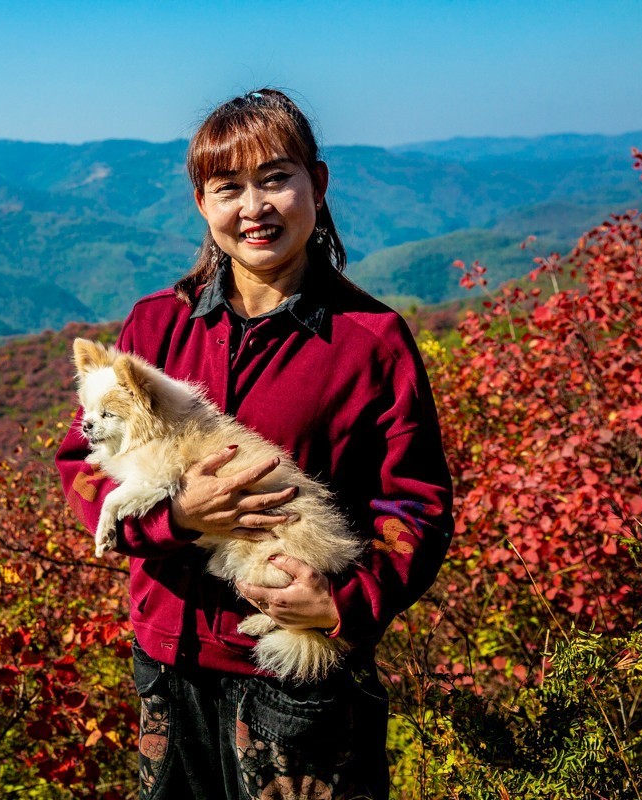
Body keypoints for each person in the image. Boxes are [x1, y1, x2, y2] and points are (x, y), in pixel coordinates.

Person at [55, 88, 453, 800]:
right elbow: (80, 464)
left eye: (275, 179)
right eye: (227, 187)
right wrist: (174, 518)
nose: (254, 207)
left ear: (318, 184)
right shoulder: (155, 329)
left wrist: (346, 603)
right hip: (166, 665)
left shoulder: (370, 341)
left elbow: (414, 502)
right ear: (201, 205)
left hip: (294, 675)